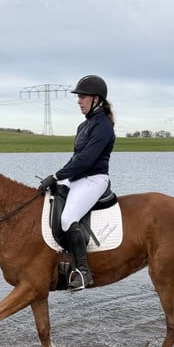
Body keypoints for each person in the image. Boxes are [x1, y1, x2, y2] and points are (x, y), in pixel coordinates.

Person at [38, 74, 115, 291]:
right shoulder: (84, 126)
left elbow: (86, 160)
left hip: (94, 179)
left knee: (68, 218)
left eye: (82, 97)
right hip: (77, 179)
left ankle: (83, 271)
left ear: (96, 99)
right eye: (78, 97)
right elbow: (75, 159)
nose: (79, 101)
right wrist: (58, 177)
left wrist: (56, 176)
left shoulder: (103, 127)